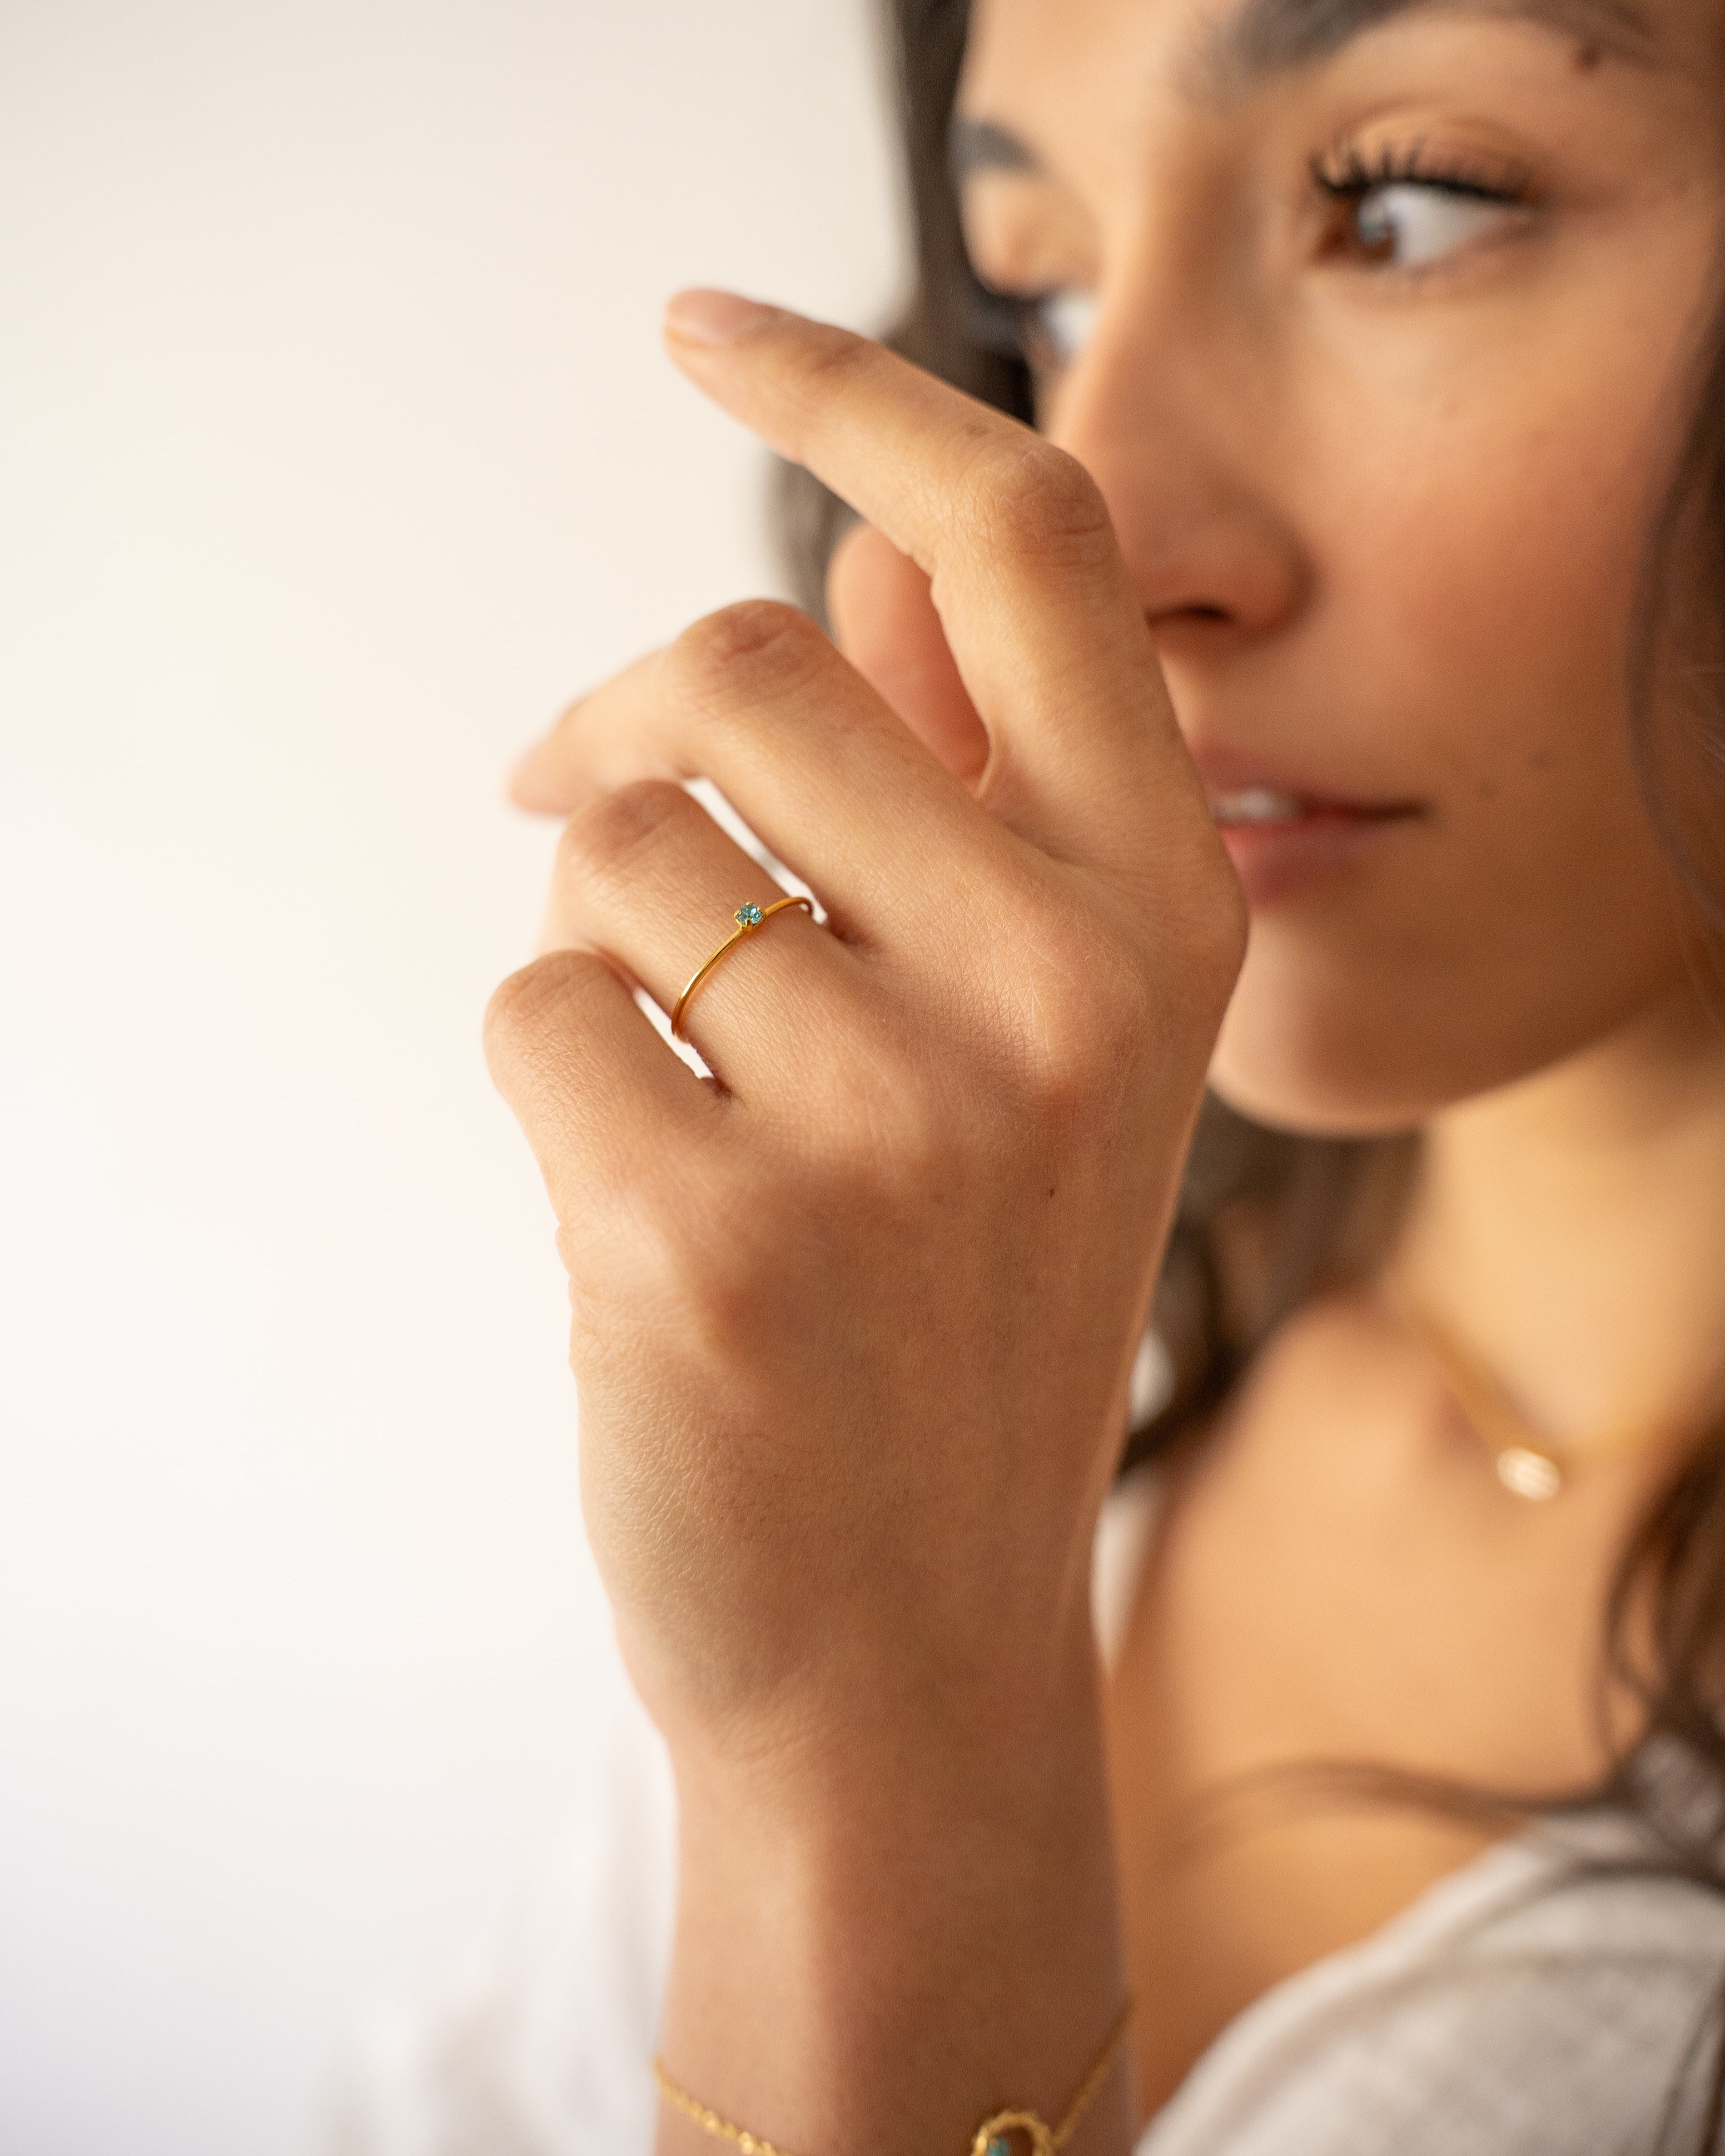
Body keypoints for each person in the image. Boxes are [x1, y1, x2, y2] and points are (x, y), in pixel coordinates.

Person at [333, 0, 1725, 2148]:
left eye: (1410, 207)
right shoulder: (984, 1331)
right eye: (1041, 292)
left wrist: (882, 1793)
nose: (1103, 523)